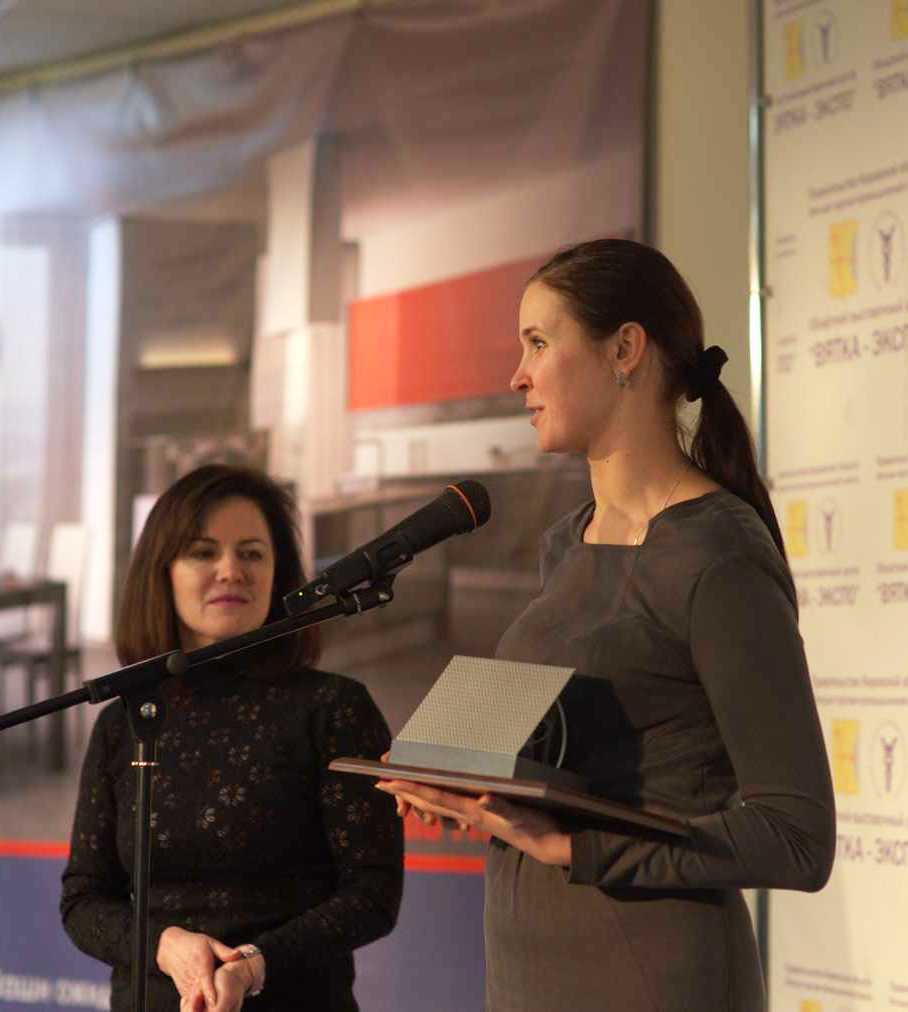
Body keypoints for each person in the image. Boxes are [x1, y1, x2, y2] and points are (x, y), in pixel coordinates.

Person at [377, 238, 835, 1011]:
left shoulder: (718, 551)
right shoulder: (567, 541)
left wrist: (574, 846)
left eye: (538, 342)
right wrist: (452, 775)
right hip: (529, 968)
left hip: (653, 975)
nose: (517, 375)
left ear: (624, 350)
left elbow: (796, 835)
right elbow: (568, 753)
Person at [61, 465, 403, 1011]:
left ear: (279, 574)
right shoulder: (124, 722)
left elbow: (372, 894)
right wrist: (165, 946)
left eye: (252, 553)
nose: (231, 571)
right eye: (203, 553)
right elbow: (82, 901)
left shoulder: (335, 708)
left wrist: (253, 965)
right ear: (163, 573)